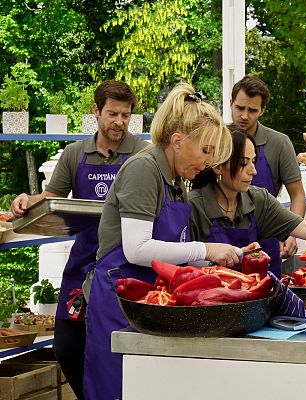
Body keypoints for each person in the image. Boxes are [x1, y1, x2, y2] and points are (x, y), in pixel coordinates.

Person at [83, 84, 242, 400]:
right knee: (118, 388)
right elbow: (137, 248)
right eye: (206, 151)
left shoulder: (177, 181)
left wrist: (221, 262)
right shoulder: (145, 169)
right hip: (120, 303)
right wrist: (205, 249)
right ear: (178, 141)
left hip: (151, 303)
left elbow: (172, 249)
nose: (208, 163)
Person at [10, 80, 148, 400]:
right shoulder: (75, 153)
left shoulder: (142, 153)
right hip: (82, 265)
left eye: (126, 116)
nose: (120, 122)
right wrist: (25, 201)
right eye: (113, 114)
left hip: (124, 269)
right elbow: (51, 198)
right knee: (67, 346)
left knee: (118, 347)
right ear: (96, 112)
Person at [189, 126, 306, 251]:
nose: (253, 171)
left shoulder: (259, 199)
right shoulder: (193, 206)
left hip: (252, 293)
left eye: (253, 161)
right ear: (218, 166)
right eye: (243, 164)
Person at [230, 76, 305, 274]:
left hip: (266, 244)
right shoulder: (219, 139)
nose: (244, 115)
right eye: (240, 108)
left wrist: (291, 233)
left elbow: (297, 194)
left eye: (252, 110)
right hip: (223, 243)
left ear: (262, 110)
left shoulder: (279, 143)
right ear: (231, 104)